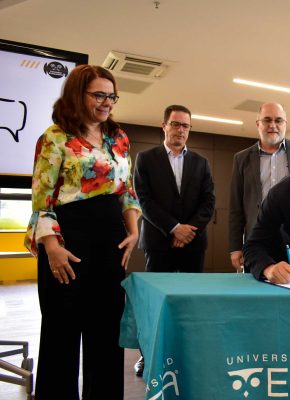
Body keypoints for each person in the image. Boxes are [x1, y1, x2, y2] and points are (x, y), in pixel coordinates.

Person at [24, 65, 141, 399]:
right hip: (67, 240)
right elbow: (42, 199)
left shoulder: (119, 138)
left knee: (106, 334)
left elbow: (127, 190)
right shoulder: (54, 137)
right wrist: (52, 248)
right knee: (61, 334)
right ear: (78, 94)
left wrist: (133, 231)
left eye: (112, 96)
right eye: (99, 95)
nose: (107, 103)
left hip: (111, 241)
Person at [132, 104, 215, 375]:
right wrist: (174, 228)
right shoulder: (146, 159)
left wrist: (188, 230)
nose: (180, 130)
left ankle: (189, 353)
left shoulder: (201, 162)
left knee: (192, 301)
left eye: (185, 126)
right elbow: (144, 201)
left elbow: (208, 202)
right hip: (159, 242)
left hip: (193, 243)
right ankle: (148, 355)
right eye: (176, 124)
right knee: (156, 302)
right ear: (164, 126)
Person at [229, 102, 290, 272]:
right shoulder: (241, 159)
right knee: (257, 285)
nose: (273, 125)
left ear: (285, 123)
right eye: (267, 120)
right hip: (258, 240)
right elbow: (236, 206)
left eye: (278, 120)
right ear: (258, 124)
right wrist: (235, 247)